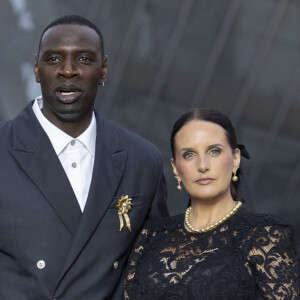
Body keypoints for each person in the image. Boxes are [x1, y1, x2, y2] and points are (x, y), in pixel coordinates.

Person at [0, 15, 168, 299]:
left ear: (103, 70)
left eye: (84, 59)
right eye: (53, 59)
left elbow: (155, 273)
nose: (68, 71)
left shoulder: (142, 160)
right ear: (37, 69)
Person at [124, 108, 299, 299]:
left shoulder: (267, 235)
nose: (203, 165)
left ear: (235, 159)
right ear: (175, 169)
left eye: (214, 151)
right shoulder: (151, 236)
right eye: (189, 155)